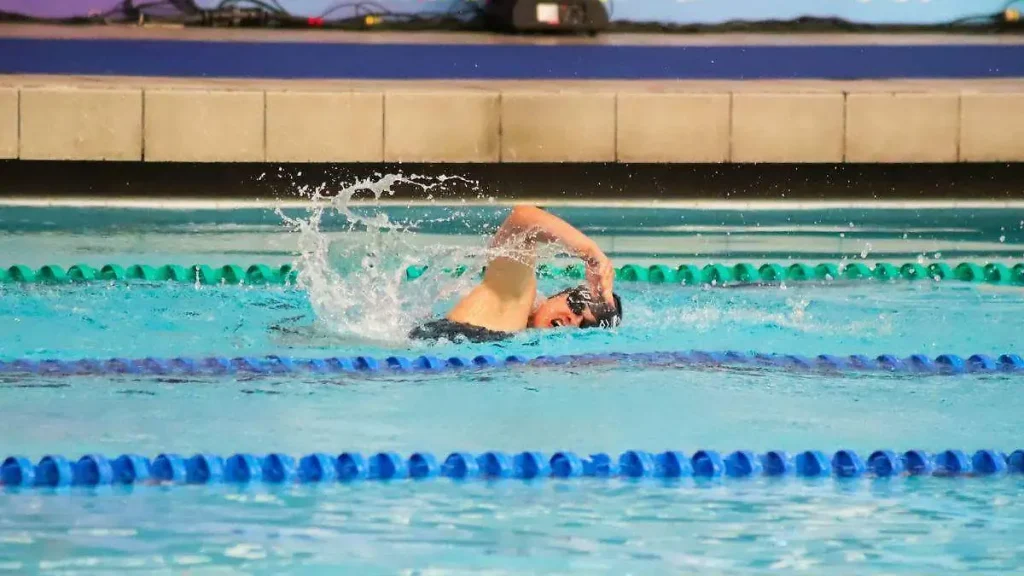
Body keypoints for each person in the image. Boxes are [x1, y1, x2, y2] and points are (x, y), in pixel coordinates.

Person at [410, 205, 622, 343]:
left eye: (586, 326)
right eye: (576, 305)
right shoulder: (515, 296)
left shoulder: (522, 342)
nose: (573, 320)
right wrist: (592, 254)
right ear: (558, 295)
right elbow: (524, 218)